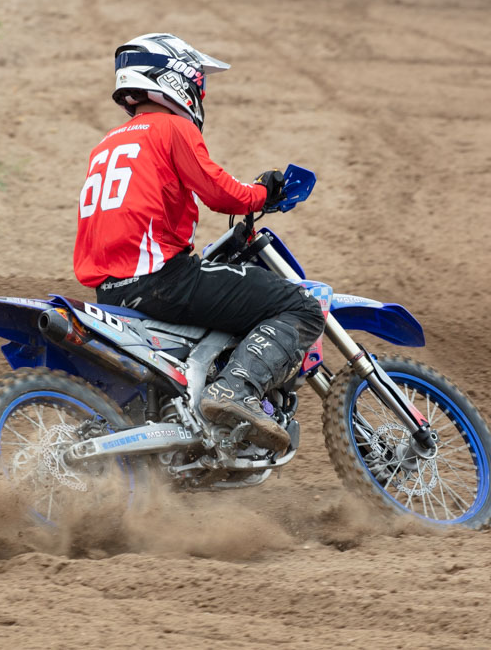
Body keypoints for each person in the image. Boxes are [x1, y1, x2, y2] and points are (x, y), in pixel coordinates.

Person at [72, 33, 325, 452]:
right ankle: (235, 390)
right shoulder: (172, 128)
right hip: (161, 279)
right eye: (198, 83)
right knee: (300, 306)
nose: (199, 92)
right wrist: (265, 192)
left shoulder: (106, 144)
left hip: (112, 289)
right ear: (175, 79)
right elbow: (220, 192)